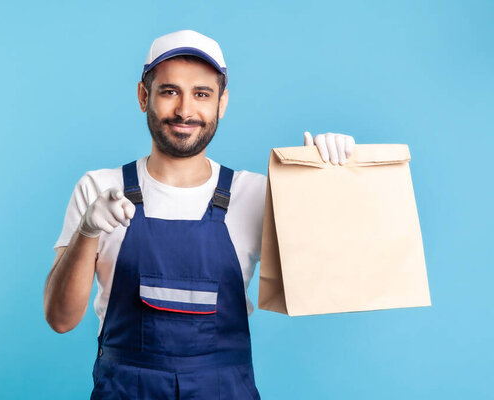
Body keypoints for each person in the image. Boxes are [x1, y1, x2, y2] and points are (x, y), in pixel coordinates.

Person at [44, 29, 355, 399]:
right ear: (144, 97)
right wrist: (87, 230)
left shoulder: (255, 195)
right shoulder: (99, 189)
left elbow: (322, 285)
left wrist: (331, 181)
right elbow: (60, 320)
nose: (185, 110)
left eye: (202, 94)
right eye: (169, 91)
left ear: (222, 103)